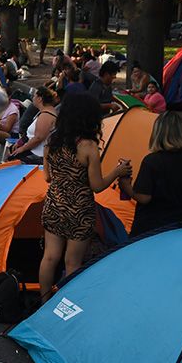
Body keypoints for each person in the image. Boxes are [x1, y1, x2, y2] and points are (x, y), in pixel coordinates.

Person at [39, 92, 132, 301]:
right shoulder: (88, 146)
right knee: (72, 263)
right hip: (79, 211)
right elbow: (97, 186)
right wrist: (117, 172)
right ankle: (65, 306)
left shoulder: (51, 141)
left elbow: (46, 177)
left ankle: (43, 304)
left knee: (50, 257)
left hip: (54, 205)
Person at [117, 112, 182, 237]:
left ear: (158, 133)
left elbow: (144, 197)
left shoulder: (152, 161)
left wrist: (126, 186)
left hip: (151, 227)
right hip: (181, 224)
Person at [9, 85, 58, 165]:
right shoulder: (44, 112)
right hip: (35, 150)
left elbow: (39, 138)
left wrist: (22, 148)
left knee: (13, 157)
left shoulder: (46, 115)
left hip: (38, 155)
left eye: (34, 96)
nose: (33, 98)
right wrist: (20, 143)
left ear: (39, 99)